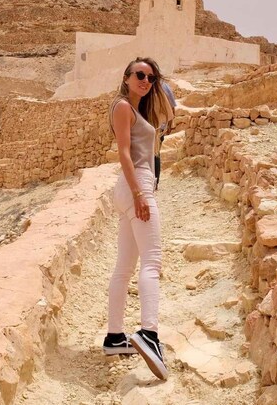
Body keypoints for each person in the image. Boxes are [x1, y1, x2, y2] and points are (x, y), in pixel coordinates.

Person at [103, 57, 173, 381]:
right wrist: (139, 193)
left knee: (124, 268)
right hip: (136, 185)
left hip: (132, 187)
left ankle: (115, 338)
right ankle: (149, 333)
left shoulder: (139, 110)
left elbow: (167, 114)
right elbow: (124, 153)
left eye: (151, 78)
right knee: (152, 262)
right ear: (127, 76)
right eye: (140, 75)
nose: (146, 81)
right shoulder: (122, 107)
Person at [153, 80, 176, 188]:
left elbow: (171, 107)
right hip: (160, 127)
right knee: (156, 154)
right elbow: (172, 107)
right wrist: (170, 124)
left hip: (156, 127)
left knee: (153, 154)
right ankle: (155, 182)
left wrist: (170, 124)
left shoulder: (153, 86)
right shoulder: (165, 86)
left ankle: (153, 181)